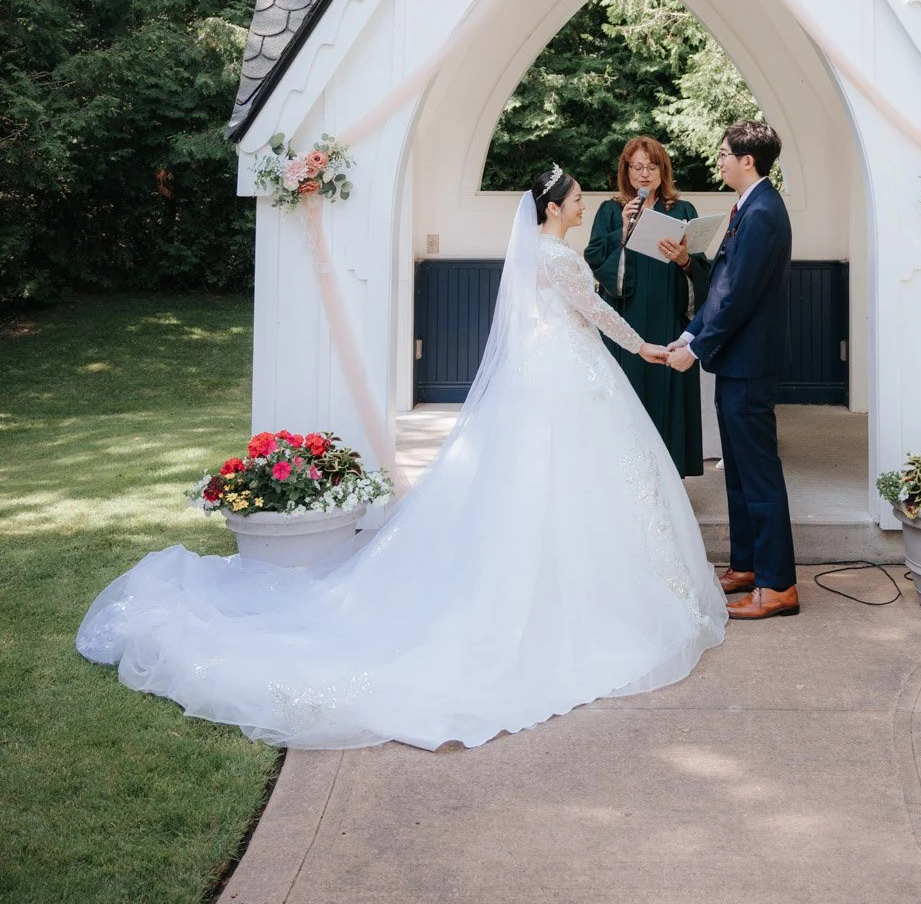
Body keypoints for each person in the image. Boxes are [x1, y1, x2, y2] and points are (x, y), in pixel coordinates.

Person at [77, 167, 726, 751]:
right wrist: (645, 348)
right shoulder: (558, 259)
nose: (584, 206)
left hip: (553, 372)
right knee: (571, 480)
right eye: (577, 199)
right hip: (568, 376)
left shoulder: (547, 254)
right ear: (553, 208)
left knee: (552, 485)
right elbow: (595, 313)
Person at [667, 120, 798, 620]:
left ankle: (779, 584)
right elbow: (722, 283)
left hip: (750, 363)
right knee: (739, 473)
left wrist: (697, 350)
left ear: (748, 160)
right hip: (737, 361)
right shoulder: (749, 206)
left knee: (759, 474)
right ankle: (746, 564)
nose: (718, 159)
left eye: (725, 153)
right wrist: (688, 334)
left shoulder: (764, 212)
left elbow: (740, 295)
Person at [583, 136, 711, 477]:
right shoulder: (611, 210)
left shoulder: (683, 211)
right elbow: (594, 258)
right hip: (627, 320)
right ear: (626, 170)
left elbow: (700, 269)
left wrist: (684, 260)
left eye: (652, 167)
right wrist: (622, 231)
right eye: (637, 167)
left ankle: (670, 478)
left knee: (668, 394)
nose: (644, 174)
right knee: (627, 396)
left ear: (662, 170)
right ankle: (626, 481)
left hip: (670, 315)